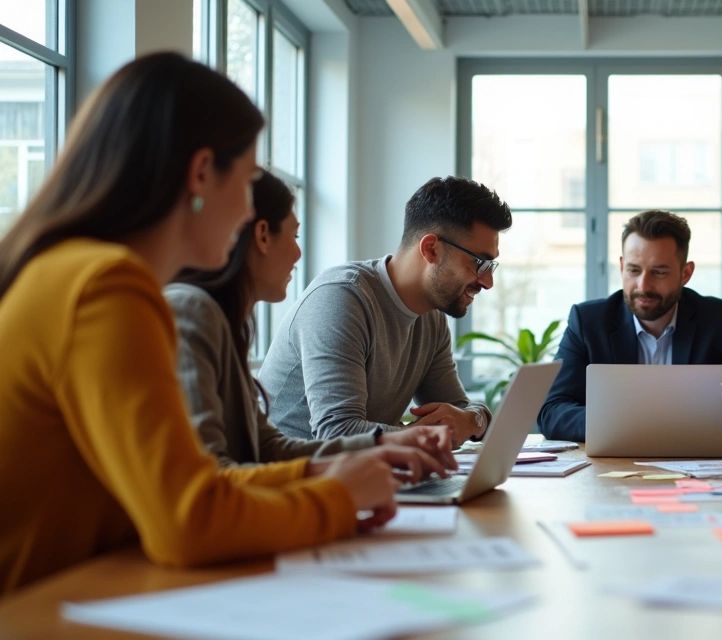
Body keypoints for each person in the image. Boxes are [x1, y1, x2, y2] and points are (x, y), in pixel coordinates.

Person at [0, 53, 443, 596]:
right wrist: (337, 497)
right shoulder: (106, 287)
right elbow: (188, 522)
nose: (246, 210)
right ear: (202, 173)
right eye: (249, 178)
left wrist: (330, 471)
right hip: (37, 611)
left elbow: (193, 486)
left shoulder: (72, 272)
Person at [166, 171, 459, 470]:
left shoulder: (228, 324)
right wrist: (341, 485)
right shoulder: (193, 314)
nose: (298, 253)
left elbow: (267, 446)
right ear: (262, 235)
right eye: (294, 236)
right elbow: (212, 478)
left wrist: (382, 445)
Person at [257, 176, 510, 446]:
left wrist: (471, 421)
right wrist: (426, 435)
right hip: (287, 479)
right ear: (431, 249)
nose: (487, 282)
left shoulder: (431, 317)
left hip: (360, 477)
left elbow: (458, 411)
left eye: (490, 267)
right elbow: (336, 432)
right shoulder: (341, 299)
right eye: (479, 263)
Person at [538, 210, 722, 442]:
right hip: (610, 468)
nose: (643, 285)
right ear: (622, 266)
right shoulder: (588, 322)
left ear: (686, 274)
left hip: (692, 463)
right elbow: (552, 412)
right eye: (634, 270)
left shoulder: (719, 320)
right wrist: (620, 423)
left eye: (659, 272)